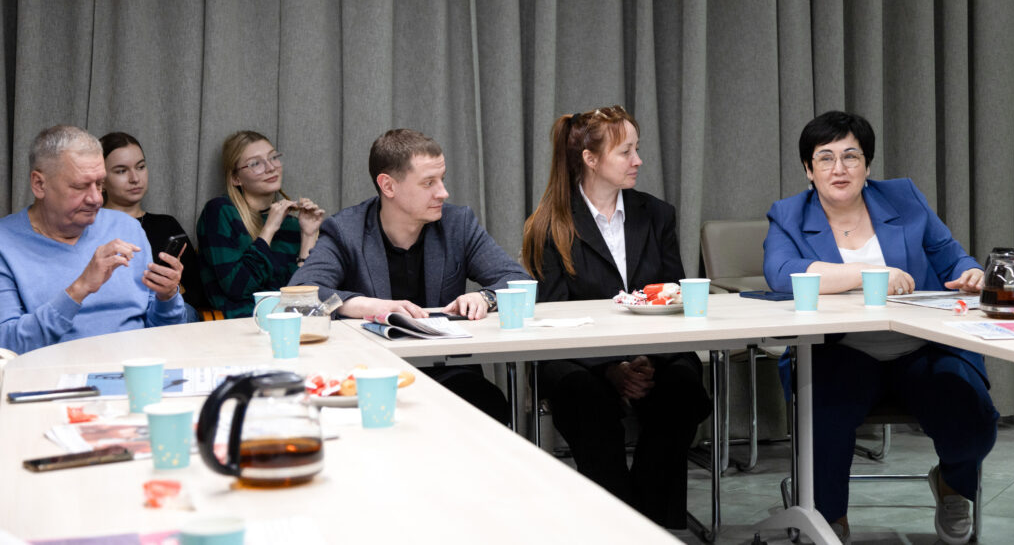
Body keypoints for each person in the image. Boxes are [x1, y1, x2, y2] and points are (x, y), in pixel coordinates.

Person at [763, 110, 997, 545]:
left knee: (974, 416)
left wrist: (970, 273)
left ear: (867, 165)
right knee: (823, 414)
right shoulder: (789, 214)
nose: (839, 168)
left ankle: (952, 485)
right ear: (808, 169)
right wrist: (869, 273)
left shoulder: (903, 198)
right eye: (825, 157)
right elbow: (781, 273)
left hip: (921, 348)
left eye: (851, 156)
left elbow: (952, 257)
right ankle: (830, 517)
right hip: (840, 351)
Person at [520, 106, 712, 530]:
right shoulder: (549, 224)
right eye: (626, 152)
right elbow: (550, 318)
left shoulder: (657, 214)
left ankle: (646, 520)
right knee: (584, 399)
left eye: (636, 149)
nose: (637, 160)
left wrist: (644, 359)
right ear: (590, 159)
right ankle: (619, 524)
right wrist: (611, 369)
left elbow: (670, 294)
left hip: (655, 350)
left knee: (682, 388)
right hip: (577, 358)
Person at [290, 128, 529, 424]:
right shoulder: (346, 230)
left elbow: (517, 280)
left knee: (487, 404)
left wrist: (484, 297)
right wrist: (369, 306)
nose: (443, 192)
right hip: (372, 374)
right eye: (429, 183)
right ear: (388, 186)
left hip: (448, 371)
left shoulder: (458, 224)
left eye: (441, 179)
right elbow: (301, 291)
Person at [0, 125, 187, 353]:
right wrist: (80, 289)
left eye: (99, 184)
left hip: (135, 365)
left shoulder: (126, 227)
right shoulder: (5, 244)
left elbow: (164, 335)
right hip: (56, 372)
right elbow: (7, 345)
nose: (96, 199)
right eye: (80, 187)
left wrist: (167, 297)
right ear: (39, 184)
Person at [197, 131, 325, 320]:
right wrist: (269, 230)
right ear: (236, 179)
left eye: (273, 157)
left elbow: (302, 297)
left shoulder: (292, 224)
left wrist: (308, 236)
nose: (271, 168)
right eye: (255, 163)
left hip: (291, 323)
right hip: (240, 325)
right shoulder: (220, 211)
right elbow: (237, 287)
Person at [100, 132, 207, 318]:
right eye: (121, 171)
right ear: (100, 181)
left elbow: (197, 293)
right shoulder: (90, 227)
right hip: (113, 319)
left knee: (186, 311)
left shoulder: (166, 225)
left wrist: (169, 289)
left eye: (140, 167)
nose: (135, 178)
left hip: (165, 317)